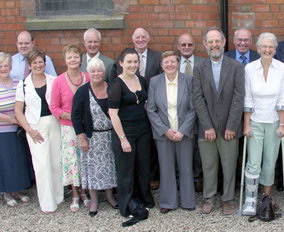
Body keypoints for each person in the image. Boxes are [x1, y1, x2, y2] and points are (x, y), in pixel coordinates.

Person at [192, 27, 245, 215]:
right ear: (205, 45)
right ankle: (208, 198)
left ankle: (228, 199)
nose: (214, 45)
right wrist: (207, 125)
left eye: (217, 41)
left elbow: (239, 97)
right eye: (210, 42)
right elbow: (197, 98)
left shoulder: (236, 67)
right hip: (206, 128)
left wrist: (231, 125)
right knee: (208, 165)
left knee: (229, 165)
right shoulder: (199, 68)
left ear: (223, 43)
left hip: (229, 128)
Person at [241, 32, 284, 216]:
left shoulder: (282, 68)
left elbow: (283, 97)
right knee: (253, 162)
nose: (267, 50)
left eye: (271, 47)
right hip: (255, 121)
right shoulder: (249, 68)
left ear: (275, 50)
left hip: (274, 122)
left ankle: (266, 196)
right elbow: (247, 98)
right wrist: (246, 125)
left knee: (270, 162)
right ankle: (250, 200)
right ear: (258, 49)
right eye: (264, 47)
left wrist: (282, 124)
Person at [146, 51, 197, 214]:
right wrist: (165, 130)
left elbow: (193, 108)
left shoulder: (188, 80)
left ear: (177, 63)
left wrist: (182, 131)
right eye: (166, 62)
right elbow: (151, 109)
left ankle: (188, 200)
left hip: (184, 132)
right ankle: (168, 201)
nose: (169, 65)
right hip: (163, 132)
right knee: (166, 167)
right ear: (162, 65)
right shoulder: (155, 81)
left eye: (173, 62)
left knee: (186, 167)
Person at [108, 48, 155, 224]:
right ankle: (127, 205)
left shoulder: (142, 80)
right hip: (125, 133)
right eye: (129, 61)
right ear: (121, 63)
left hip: (143, 131)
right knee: (126, 171)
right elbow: (113, 114)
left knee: (143, 168)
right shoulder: (116, 84)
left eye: (135, 61)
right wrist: (123, 139)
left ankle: (143, 200)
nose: (133, 65)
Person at [15, 49, 63, 214]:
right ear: (29, 65)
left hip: (55, 123)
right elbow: (18, 111)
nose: (38, 65)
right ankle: (47, 202)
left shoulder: (54, 80)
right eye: (34, 62)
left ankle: (58, 197)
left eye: (40, 62)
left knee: (56, 162)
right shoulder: (22, 84)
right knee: (42, 165)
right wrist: (29, 130)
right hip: (35, 127)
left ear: (45, 63)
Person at [0, 52, 31, 207]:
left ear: (11, 66)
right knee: (4, 162)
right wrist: (10, 119)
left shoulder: (18, 83)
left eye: (6, 65)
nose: (3, 68)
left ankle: (17, 190)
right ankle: (7, 193)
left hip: (17, 130)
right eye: (0, 66)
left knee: (16, 160)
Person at [71, 57, 118, 217]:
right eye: (93, 71)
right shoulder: (83, 91)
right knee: (92, 169)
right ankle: (94, 200)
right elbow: (75, 115)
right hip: (92, 137)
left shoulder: (112, 87)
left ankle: (110, 197)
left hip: (110, 136)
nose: (96, 73)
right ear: (88, 73)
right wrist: (81, 137)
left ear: (104, 72)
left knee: (110, 168)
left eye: (99, 71)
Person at [49, 44, 91, 212]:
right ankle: (75, 193)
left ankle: (85, 192)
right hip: (68, 128)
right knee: (72, 161)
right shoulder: (58, 81)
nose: (73, 60)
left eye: (75, 56)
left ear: (80, 59)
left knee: (85, 159)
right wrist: (70, 116)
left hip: (87, 127)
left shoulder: (88, 78)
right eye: (69, 57)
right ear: (65, 60)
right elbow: (54, 107)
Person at [175, 32, 204, 192]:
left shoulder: (203, 63)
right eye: (183, 45)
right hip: (178, 113)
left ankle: (197, 178)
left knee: (198, 147)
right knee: (180, 145)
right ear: (178, 47)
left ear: (194, 46)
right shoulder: (172, 63)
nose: (186, 47)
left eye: (190, 45)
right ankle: (181, 178)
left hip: (199, 111)